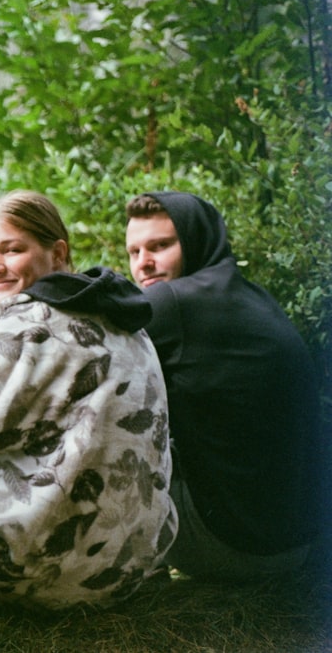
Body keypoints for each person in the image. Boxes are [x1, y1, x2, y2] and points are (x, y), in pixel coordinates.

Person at [0, 190, 177, 615]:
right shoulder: (121, 314)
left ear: (57, 253)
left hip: (41, 578)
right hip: (128, 568)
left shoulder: (25, 328)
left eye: (13, 250)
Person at [124, 191, 323, 581]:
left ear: (196, 241)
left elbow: (86, 337)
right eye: (134, 251)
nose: (143, 263)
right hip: (296, 546)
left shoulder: (175, 302)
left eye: (160, 246)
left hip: (236, 550)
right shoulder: (251, 296)